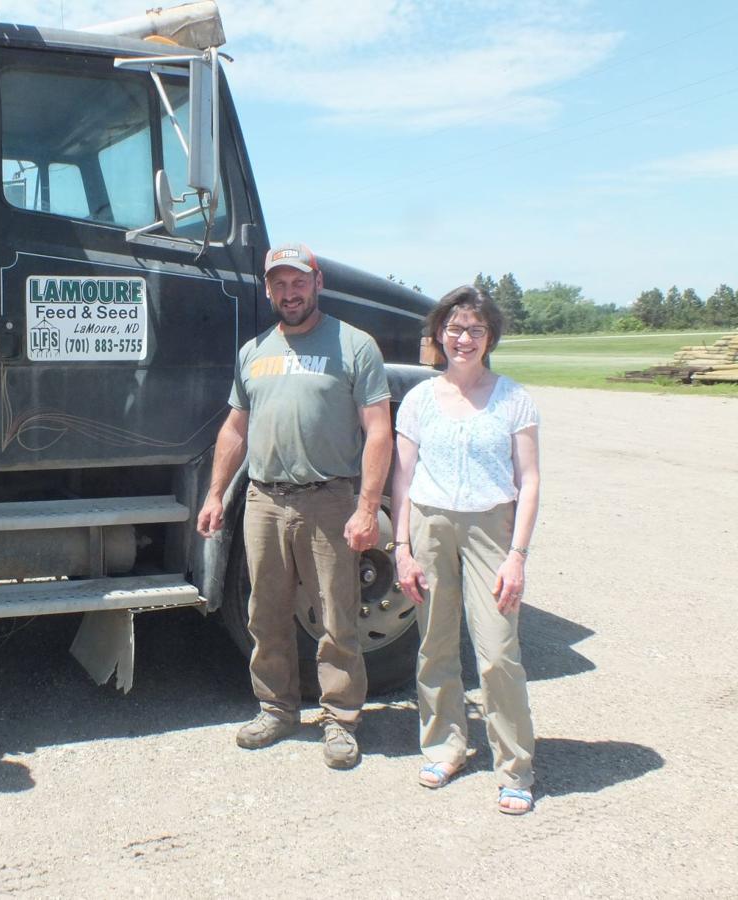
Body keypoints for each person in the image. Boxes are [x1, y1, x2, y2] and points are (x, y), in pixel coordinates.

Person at [197, 242, 392, 769]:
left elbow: (378, 431)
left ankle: (341, 719)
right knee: (265, 613)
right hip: (263, 499)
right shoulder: (254, 351)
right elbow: (235, 428)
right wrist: (216, 493)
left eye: (298, 282)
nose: (289, 292)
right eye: (279, 284)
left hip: (329, 500)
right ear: (268, 290)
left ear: (317, 282)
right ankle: (277, 709)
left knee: (337, 617)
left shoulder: (354, 345)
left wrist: (367, 507)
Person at [391, 285, 539, 815]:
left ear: (490, 337)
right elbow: (402, 480)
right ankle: (445, 745)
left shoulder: (513, 398)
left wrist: (517, 554)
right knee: (434, 642)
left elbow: (531, 479)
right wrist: (401, 548)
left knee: (498, 651)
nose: (464, 338)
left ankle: (515, 767)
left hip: (490, 529)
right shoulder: (418, 399)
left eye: (475, 329)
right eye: (454, 329)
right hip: (430, 524)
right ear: (438, 336)